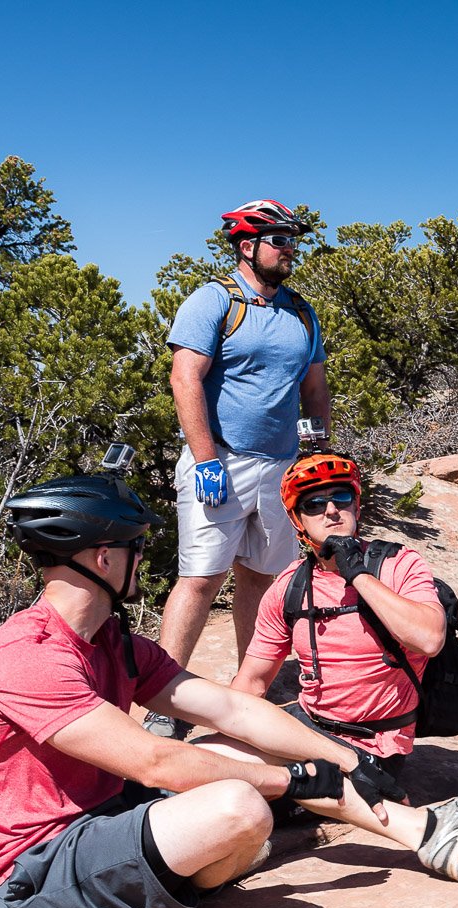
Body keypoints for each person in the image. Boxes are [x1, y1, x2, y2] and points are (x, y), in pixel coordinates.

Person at [0, 471, 458, 908]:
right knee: (240, 806)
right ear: (103, 557)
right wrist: (294, 780)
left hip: (106, 820)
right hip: (34, 870)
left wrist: (344, 761)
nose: (142, 558)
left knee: (232, 750)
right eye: (137, 547)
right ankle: (206, 862)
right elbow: (156, 763)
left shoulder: (113, 642)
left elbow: (231, 710)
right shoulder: (27, 658)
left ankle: (426, 835)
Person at [154, 198, 330, 738]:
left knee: (263, 578)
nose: (289, 249)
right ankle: (165, 699)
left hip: (279, 466)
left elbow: (315, 388)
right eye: (278, 240)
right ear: (246, 246)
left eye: (291, 240)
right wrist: (206, 461)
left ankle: (255, 684)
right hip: (221, 462)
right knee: (201, 578)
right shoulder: (213, 302)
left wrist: (320, 450)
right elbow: (184, 379)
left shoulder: (301, 312)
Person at [231, 454, 452, 786]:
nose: (331, 510)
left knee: (252, 788)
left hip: (373, 745)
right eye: (314, 504)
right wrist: (230, 740)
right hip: (307, 728)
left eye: (341, 497)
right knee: (203, 762)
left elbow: (429, 640)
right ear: (298, 521)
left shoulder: (399, 565)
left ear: (356, 506)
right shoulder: (291, 585)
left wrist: (357, 573)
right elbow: (252, 683)